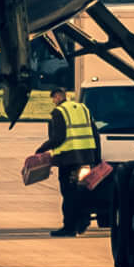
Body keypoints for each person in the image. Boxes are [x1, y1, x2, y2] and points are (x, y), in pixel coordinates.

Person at [45, 84, 100, 236]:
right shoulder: (83, 108)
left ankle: (69, 227)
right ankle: (82, 220)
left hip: (68, 160)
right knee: (80, 190)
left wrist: (41, 150)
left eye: (53, 99)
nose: (54, 102)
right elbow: (95, 133)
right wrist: (97, 158)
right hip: (85, 158)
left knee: (68, 193)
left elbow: (58, 138)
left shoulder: (59, 111)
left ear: (57, 96)